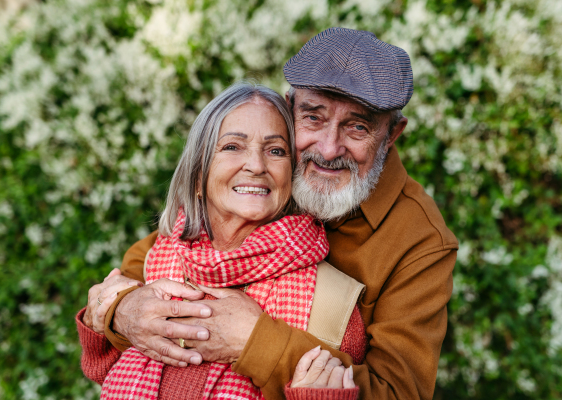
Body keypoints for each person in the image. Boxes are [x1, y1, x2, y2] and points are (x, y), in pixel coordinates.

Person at [85, 28, 458, 399]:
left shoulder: (421, 240)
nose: (328, 149)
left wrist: (255, 340)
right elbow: (167, 252)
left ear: (392, 134)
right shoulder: (266, 170)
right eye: (312, 118)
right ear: (289, 106)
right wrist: (122, 308)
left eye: (357, 127)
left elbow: (399, 392)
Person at [77, 82, 365, 399]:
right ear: (198, 174)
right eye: (232, 147)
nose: (256, 165)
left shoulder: (331, 304)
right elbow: (103, 370)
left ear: (291, 178)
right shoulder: (156, 262)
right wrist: (100, 318)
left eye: (276, 151)